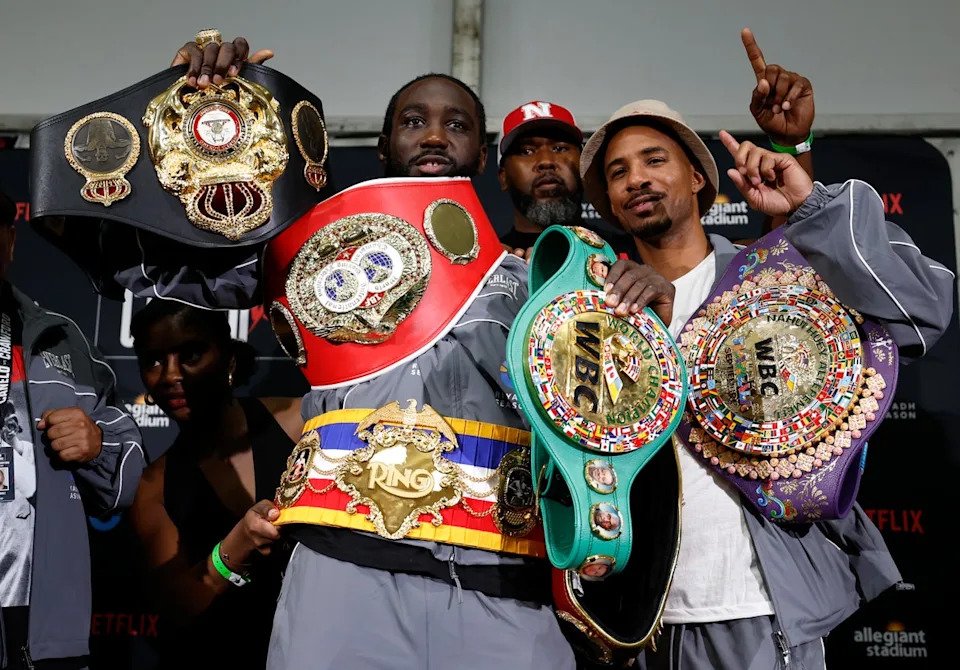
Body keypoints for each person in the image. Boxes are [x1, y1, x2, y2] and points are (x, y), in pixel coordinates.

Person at [172, 35, 671, 670]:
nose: (434, 135)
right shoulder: (311, 248)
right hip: (342, 574)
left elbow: (610, 428)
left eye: (456, 125)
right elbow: (165, 263)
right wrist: (191, 113)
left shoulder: (543, 288)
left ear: (482, 156)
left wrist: (642, 319)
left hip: (503, 587)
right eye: (414, 122)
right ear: (383, 147)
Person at [578, 51, 954, 670]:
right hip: (637, 623)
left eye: (654, 160)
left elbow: (922, 309)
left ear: (698, 178)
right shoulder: (596, 318)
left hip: (759, 608)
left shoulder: (773, 280)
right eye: (618, 173)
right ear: (611, 204)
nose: (636, 179)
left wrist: (809, 211)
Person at [0, 188, 146, 670]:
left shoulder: (59, 338)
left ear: (10, 241)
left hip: (39, 619)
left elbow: (127, 480)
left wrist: (98, 445)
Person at [127, 301, 302, 669]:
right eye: (154, 361)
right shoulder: (153, 485)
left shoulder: (300, 424)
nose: (171, 375)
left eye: (190, 355)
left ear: (229, 359)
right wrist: (236, 546)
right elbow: (177, 608)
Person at [496, 100, 585, 255]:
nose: (546, 161)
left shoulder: (624, 254)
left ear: (584, 166)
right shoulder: (492, 263)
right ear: (503, 177)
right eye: (526, 151)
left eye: (559, 148)